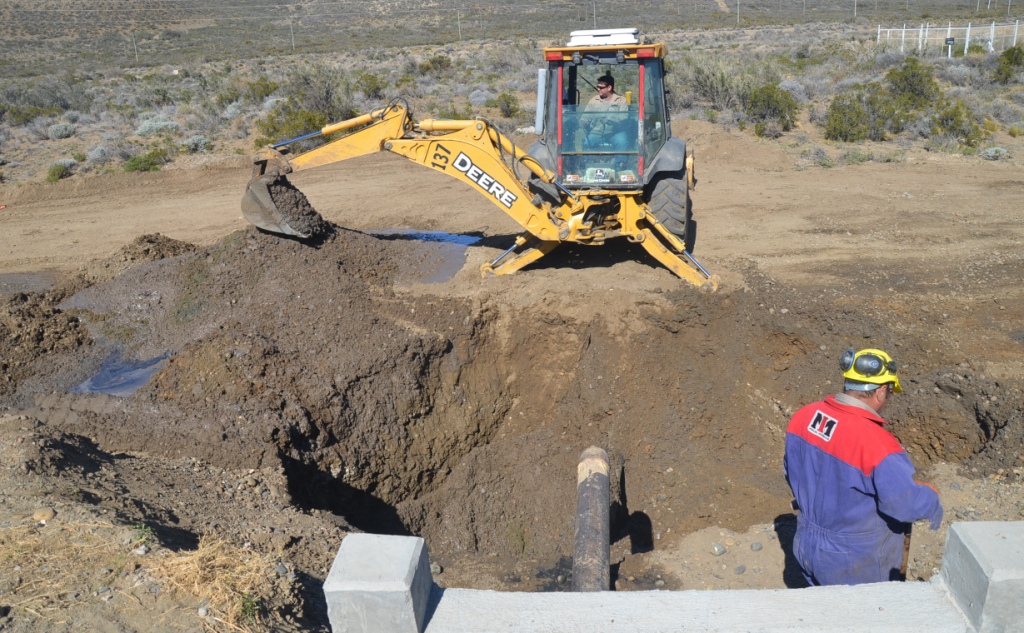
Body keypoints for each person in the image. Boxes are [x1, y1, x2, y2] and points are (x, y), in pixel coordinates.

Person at [783, 347, 943, 586]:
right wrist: (930, 497)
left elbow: (794, 473)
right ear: (880, 391)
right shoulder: (877, 443)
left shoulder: (805, 416)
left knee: (821, 610)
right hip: (852, 559)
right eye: (889, 393)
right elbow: (905, 504)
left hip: (805, 541)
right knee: (862, 618)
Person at [583, 74, 628, 150]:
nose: (598, 89)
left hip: (616, 132)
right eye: (598, 87)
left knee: (622, 142)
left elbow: (624, 117)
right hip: (596, 132)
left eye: (601, 87)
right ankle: (586, 161)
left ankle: (620, 162)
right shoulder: (593, 101)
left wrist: (609, 120)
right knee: (586, 143)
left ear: (609, 88)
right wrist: (582, 122)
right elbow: (585, 116)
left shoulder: (621, 100)